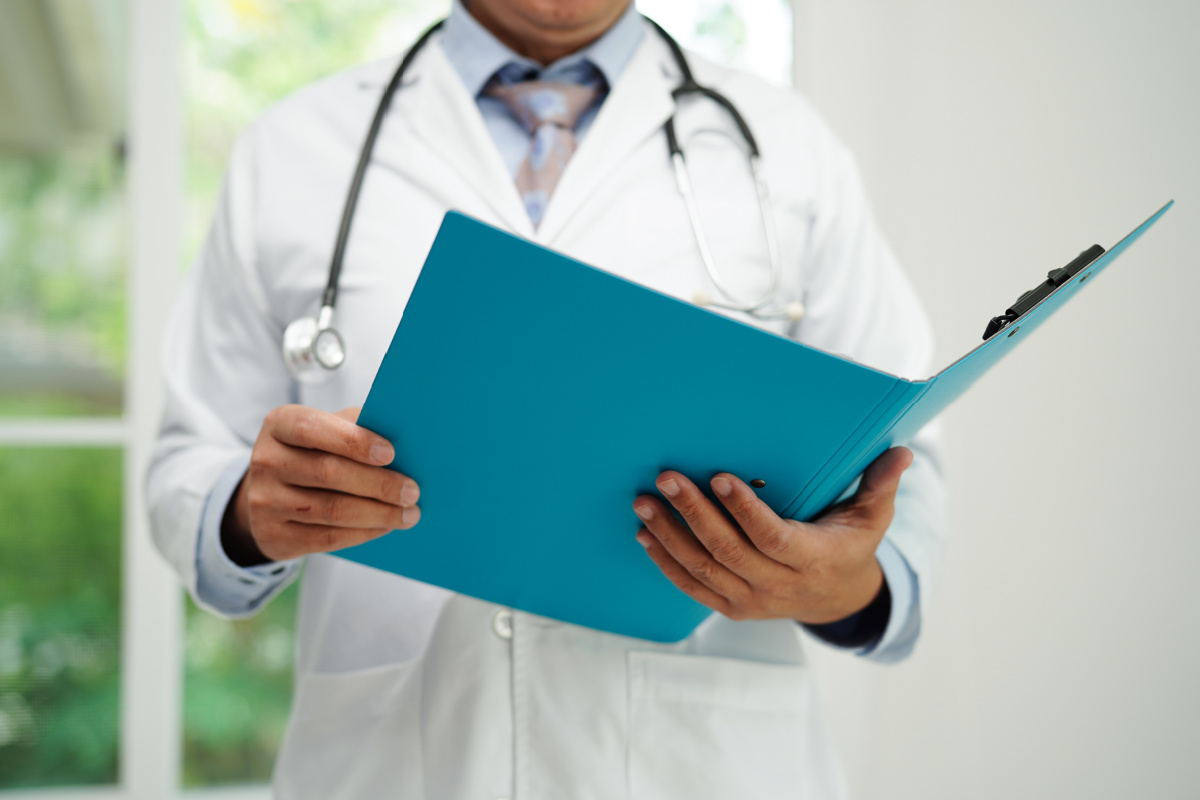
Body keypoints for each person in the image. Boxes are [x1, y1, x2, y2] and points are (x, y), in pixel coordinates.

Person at [147, 0, 947, 796]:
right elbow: (190, 460)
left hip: (702, 765)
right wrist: (253, 510)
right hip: (396, 762)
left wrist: (848, 586)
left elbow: (901, 462)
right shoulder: (294, 149)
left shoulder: (787, 147)